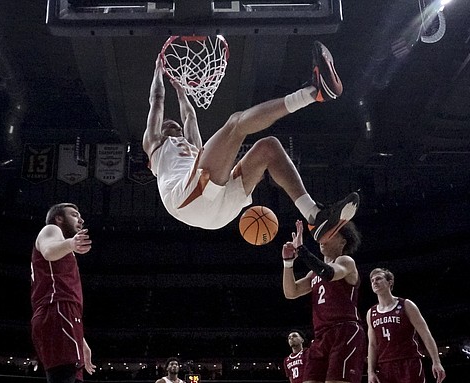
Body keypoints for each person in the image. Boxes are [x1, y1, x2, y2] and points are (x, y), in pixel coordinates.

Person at [144, 40, 358, 241]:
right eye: (169, 124)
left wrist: (181, 91)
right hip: (185, 201)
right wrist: (157, 71)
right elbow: (157, 102)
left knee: (269, 147)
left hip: (215, 204)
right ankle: (314, 92)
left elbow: (189, 116)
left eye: (177, 125)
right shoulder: (155, 145)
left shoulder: (193, 147)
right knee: (235, 123)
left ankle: (315, 217)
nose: (175, 125)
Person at [8, 202, 96, 383]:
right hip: (56, 310)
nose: (80, 218)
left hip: (67, 316)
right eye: (75, 214)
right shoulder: (50, 231)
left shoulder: (64, 246)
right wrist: (70, 242)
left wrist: (81, 340)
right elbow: (48, 251)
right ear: (59, 218)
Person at [282, 219, 367, 383]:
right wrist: (287, 262)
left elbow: (330, 273)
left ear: (342, 240)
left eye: (328, 234)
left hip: (345, 332)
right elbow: (291, 292)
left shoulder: (346, 263)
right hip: (321, 337)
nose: (321, 237)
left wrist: (302, 250)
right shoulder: (315, 273)